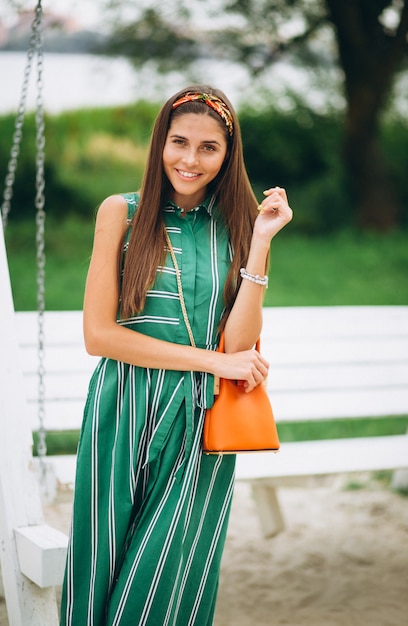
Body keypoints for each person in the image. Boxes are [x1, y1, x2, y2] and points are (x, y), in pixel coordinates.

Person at [60, 84, 292, 626]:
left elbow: (238, 345)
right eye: (179, 142)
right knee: (101, 560)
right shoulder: (121, 213)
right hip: (124, 407)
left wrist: (261, 243)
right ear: (159, 144)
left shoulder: (236, 227)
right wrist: (212, 363)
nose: (190, 160)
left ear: (226, 155)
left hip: (201, 420)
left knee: (167, 574)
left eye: (208, 148)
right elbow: (99, 336)